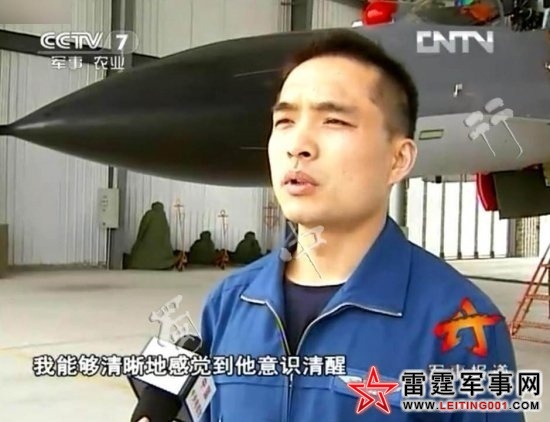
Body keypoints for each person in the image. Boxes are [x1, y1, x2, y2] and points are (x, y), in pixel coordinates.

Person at [139, 29, 523, 422]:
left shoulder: (464, 327)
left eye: (334, 120)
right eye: (285, 121)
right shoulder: (230, 303)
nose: (298, 145)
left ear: (398, 159)